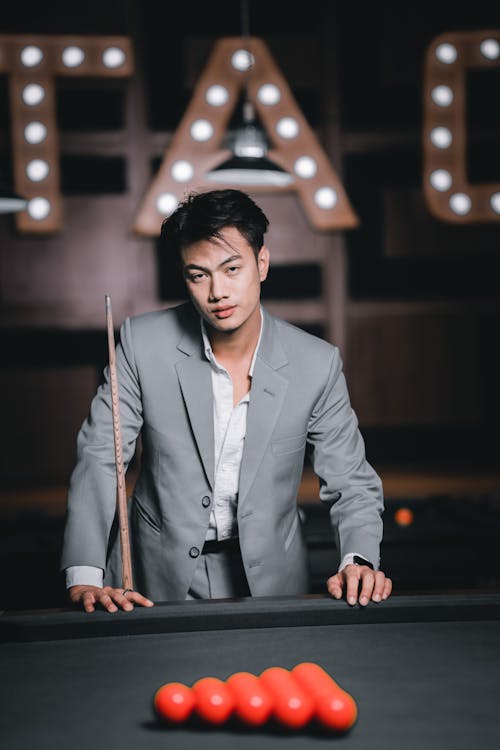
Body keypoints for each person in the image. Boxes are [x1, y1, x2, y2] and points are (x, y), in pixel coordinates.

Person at [61, 188, 392, 613]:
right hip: (152, 579)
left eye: (231, 268)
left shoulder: (317, 363)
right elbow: (102, 456)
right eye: (198, 275)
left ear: (262, 263)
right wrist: (85, 574)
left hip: (271, 581)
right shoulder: (141, 344)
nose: (217, 291)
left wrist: (359, 559)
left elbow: (352, 482)